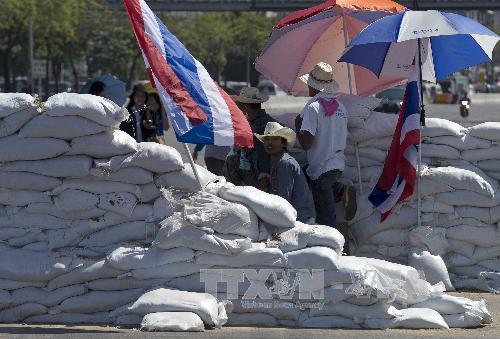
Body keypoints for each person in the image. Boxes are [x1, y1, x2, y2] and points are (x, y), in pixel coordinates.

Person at [294, 62, 357, 238]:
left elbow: (306, 143)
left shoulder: (313, 107)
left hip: (321, 167)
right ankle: (341, 190)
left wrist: (298, 126)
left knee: (326, 216)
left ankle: (331, 248)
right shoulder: (340, 108)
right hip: (337, 164)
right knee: (306, 178)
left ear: (312, 85)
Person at [255, 121, 314, 223]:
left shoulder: (284, 163)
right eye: (267, 139)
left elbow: (283, 199)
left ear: (283, 143)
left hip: (297, 219)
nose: (269, 142)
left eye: (274, 139)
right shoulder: (277, 162)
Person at [223, 86, 275, 190]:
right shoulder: (265, 121)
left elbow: (263, 152)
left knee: (231, 161)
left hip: (260, 176)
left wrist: (264, 176)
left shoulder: (258, 126)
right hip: (261, 172)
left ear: (245, 107)